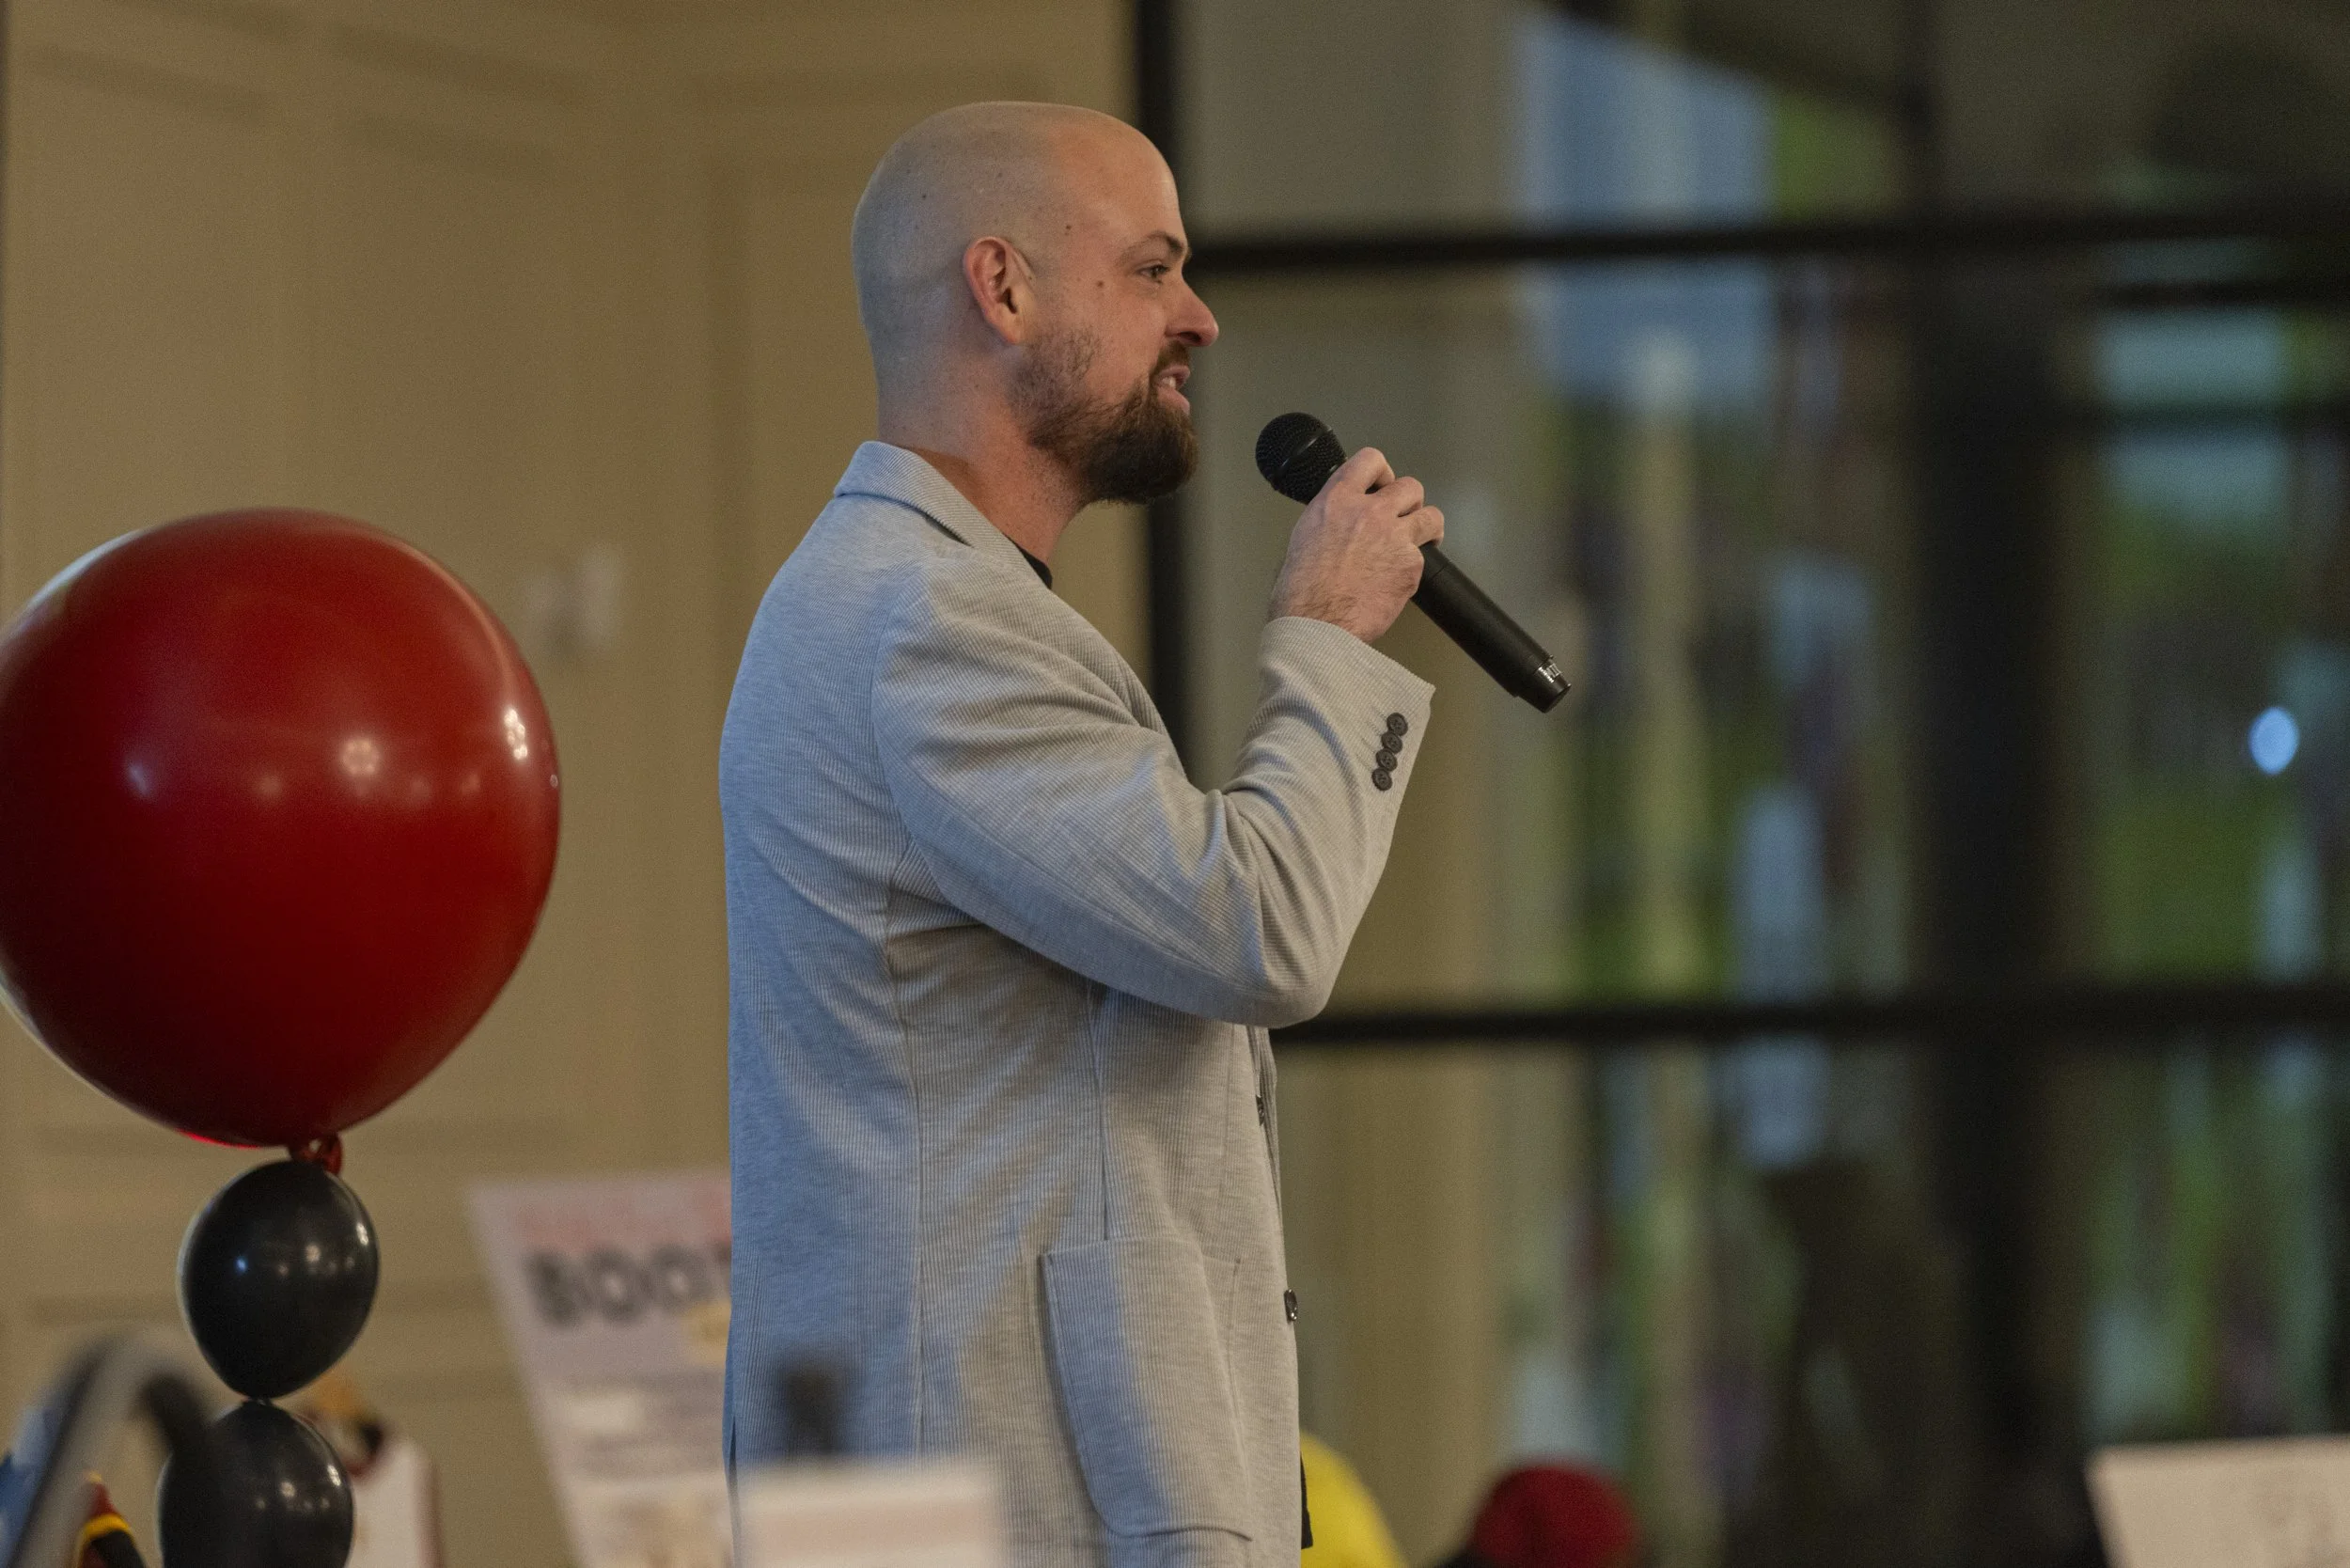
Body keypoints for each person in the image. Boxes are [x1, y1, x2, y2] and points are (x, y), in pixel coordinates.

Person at [720, 100, 1443, 1568]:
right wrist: (1330, 639)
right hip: (992, 1508)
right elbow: (1261, 929)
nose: (1202, 319)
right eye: (1155, 268)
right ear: (1003, 288)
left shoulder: (934, 604)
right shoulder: (924, 627)